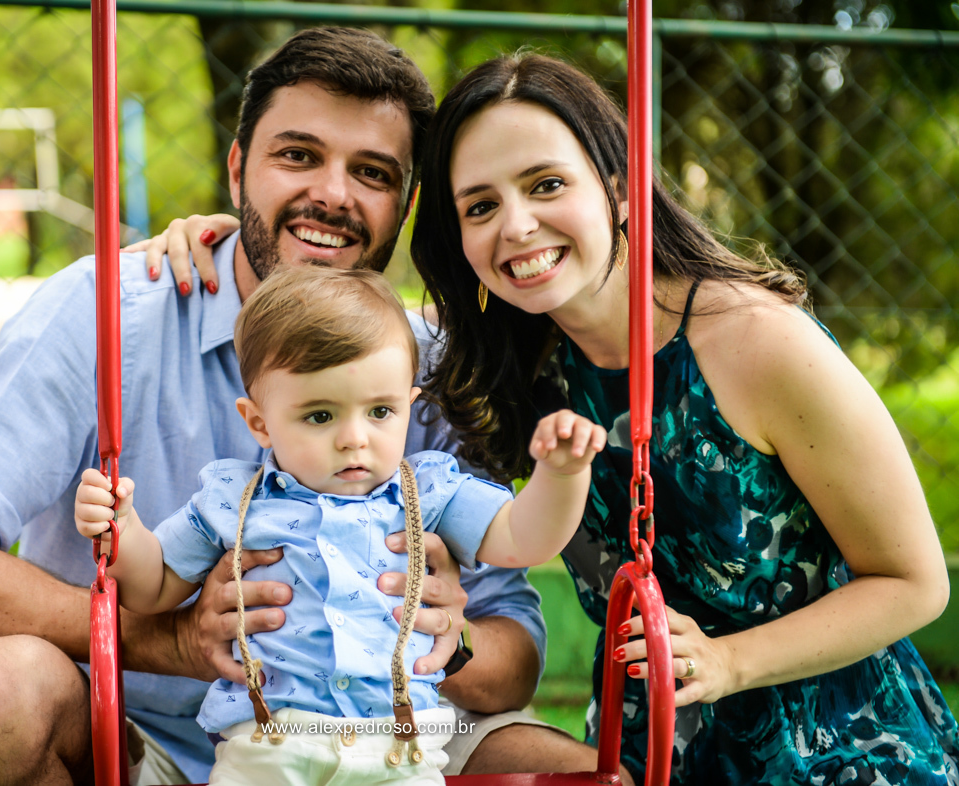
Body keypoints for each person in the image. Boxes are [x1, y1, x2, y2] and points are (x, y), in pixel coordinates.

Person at [0, 29, 602, 785]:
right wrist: (167, 640)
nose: (333, 194)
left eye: (372, 172)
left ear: (405, 204)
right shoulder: (109, 314)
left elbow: (511, 653)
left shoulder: (424, 368)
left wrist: (450, 638)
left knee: (571, 775)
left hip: (382, 738)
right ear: (237, 168)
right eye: (297, 155)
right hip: (136, 736)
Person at [401, 52, 959, 784]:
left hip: (832, 749)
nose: (516, 225)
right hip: (645, 753)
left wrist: (729, 660)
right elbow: (332, 335)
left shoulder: (757, 342)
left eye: (545, 184)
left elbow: (913, 582)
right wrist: (218, 235)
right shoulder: (515, 359)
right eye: (480, 206)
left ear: (619, 190)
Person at [74, 265, 605, 785]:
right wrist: (121, 530)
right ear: (258, 422)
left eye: (379, 412)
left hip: (399, 749)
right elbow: (153, 586)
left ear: (408, 404)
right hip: (269, 746)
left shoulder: (429, 491)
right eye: (321, 416)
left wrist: (561, 475)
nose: (355, 438)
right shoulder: (233, 500)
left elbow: (523, 539)